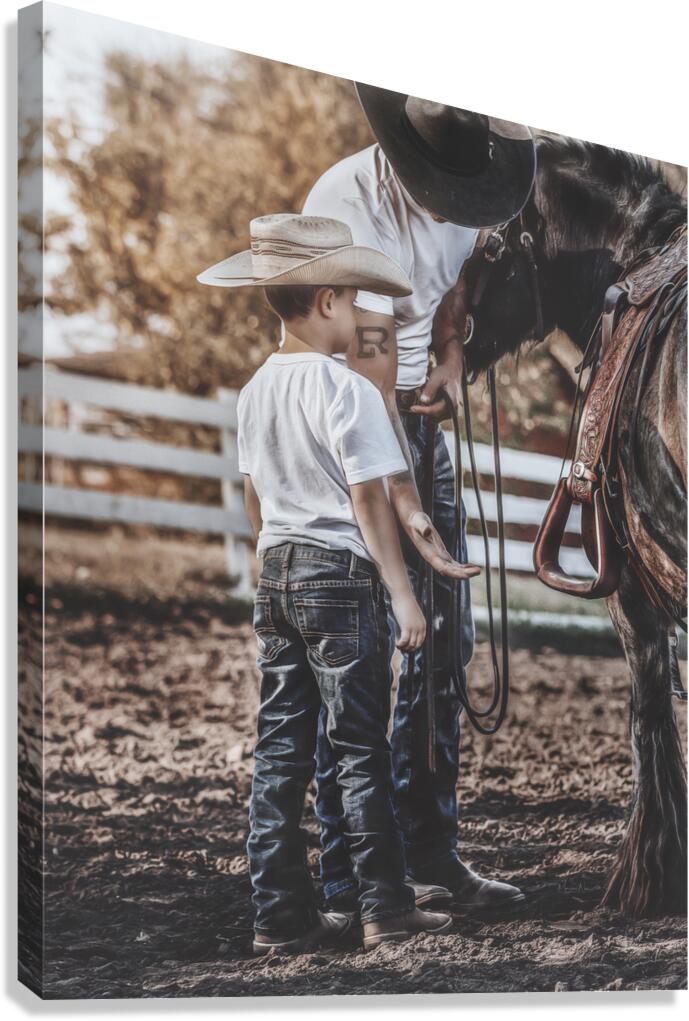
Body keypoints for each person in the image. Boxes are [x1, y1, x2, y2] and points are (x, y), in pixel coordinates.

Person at [302, 86, 537, 916]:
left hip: (415, 419)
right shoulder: (346, 205)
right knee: (360, 648)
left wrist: (447, 357)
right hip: (349, 434)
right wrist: (402, 495)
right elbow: (363, 368)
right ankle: (351, 873)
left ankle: (430, 848)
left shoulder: (472, 186)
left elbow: (453, 284)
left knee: (443, 637)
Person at [197, 212, 454, 954]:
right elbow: (369, 500)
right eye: (352, 300)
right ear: (329, 301)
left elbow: (254, 496)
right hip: (339, 579)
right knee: (358, 747)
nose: (357, 319)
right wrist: (402, 593)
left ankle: (278, 914)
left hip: (276, 573)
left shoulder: (254, 392)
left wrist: (265, 563)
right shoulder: (347, 393)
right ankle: (383, 904)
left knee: (281, 747)